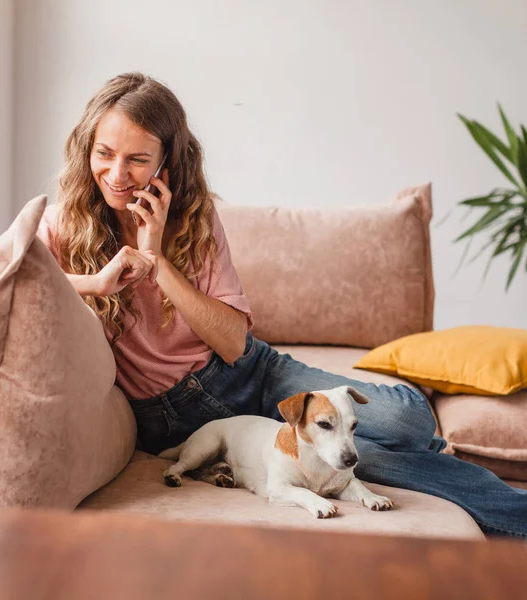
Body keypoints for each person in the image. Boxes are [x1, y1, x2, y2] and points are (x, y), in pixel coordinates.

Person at [37, 72, 527, 538]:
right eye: (104, 153)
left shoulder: (195, 217)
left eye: (137, 160)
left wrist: (157, 259)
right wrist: (96, 283)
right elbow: (3, 275)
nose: (117, 174)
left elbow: (231, 343)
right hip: (179, 418)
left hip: (252, 372)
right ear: (87, 149)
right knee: (362, 457)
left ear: (166, 164)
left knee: (409, 421)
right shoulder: (62, 226)